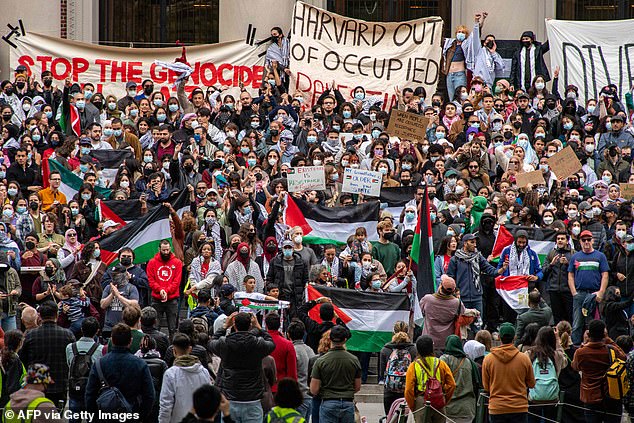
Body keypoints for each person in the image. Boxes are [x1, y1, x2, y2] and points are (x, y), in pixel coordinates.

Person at [209, 312, 275, 423]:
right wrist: (259, 327)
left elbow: (211, 343)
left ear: (234, 325)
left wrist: (225, 326)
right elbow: (271, 343)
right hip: (252, 400)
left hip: (231, 398)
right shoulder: (257, 344)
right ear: (250, 326)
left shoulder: (224, 343)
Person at [85, 323, 155, 420]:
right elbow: (149, 395)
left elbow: (89, 395)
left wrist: (95, 417)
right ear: (130, 341)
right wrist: (139, 417)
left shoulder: (99, 364)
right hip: (131, 415)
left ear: (112, 340)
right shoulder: (140, 364)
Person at [18, 301, 75, 408]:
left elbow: (23, 361)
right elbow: (72, 360)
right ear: (57, 315)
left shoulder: (30, 336)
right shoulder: (68, 335)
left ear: (39, 316)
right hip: (60, 385)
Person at [572, 319, 625, 422]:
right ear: (603, 334)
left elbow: (575, 367)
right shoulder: (610, 349)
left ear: (589, 334)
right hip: (610, 394)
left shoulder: (581, 352)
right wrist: (609, 339)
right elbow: (623, 357)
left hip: (590, 396)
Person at [482, 322, 536, 422]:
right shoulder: (524, 358)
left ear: (498, 337)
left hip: (497, 407)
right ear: (514, 337)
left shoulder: (488, 359)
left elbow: (486, 387)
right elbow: (532, 384)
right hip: (519, 407)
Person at [447, 233, 505, 320]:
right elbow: (450, 279)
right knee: (462, 325)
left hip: (476, 297)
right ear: (465, 243)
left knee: (478, 324)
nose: (475, 245)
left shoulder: (478, 257)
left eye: (475, 242)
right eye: (472, 242)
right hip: (462, 298)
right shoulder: (455, 259)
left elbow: (491, 270)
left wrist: (502, 269)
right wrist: (455, 292)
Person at [310, 325, 361, 423]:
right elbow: (357, 386)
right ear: (345, 339)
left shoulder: (321, 361)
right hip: (347, 402)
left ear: (330, 338)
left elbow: (314, 389)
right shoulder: (354, 360)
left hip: (328, 403)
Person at [568, 230, 609, 345]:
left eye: (588, 240)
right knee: (577, 323)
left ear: (593, 241)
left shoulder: (600, 256)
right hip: (579, 293)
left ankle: (598, 345)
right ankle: (575, 348)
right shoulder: (575, 257)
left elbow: (605, 275)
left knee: (596, 323)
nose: (586, 242)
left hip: (594, 294)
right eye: (583, 240)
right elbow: (570, 275)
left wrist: (601, 292)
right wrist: (574, 292)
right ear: (580, 241)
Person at [158, 333, 211, 423]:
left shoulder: (171, 374)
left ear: (174, 351)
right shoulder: (203, 372)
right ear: (190, 349)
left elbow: (166, 405)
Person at [404, 335, 456, 423]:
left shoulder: (413, 366)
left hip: (421, 401)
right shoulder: (441, 363)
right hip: (439, 399)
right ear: (432, 348)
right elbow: (452, 384)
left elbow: (409, 389)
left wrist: (413, 406)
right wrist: (444, 400)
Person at [65, 317, 103, 420]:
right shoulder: (100, 349)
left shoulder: (70, 347)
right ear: (97, 331)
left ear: (81, 329)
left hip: (75, 388)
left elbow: (69, 364)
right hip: (93, 390)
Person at [440, 335, 481, 423]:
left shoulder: (444, 360)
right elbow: (476, 384)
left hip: (448, 409)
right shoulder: (470, 362)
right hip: (467, 410)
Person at [147, 240, 183, 339]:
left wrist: (166, 291)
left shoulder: (177, 262)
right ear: (159, 249)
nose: (166, 252)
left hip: (172, 298)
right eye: (164, 250)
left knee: (173, 327)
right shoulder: (152, 262)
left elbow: (177, 281)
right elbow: (151, 280)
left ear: (170, 248)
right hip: (156, 298)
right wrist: (160, 290)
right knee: (155, 326)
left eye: (167, 250)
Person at [379, 321, 417, 414]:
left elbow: (382, 372)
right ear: (407, 332)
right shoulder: (413, 350)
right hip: (407, 390)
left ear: (393, 332)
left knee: (390, 416)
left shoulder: (385, 349)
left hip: (390, 390)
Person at [419, 275, 464, 352]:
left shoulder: (428, 299)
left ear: (440, 287)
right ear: (453, 291)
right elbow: (462, 313)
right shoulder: (457, 303)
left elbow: (420, 311)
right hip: (447, 343)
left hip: (429, 342)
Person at [286, 320, 315, 421]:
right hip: (309, 395)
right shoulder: (310, 350)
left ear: (288, 334)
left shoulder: (292, 351)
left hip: (298, 395)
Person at [543, 231, 574, 324]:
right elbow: (544, 272)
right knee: (557, 317)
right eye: (558, 239)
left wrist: (568, 264)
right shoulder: (551, 254)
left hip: (568, 291)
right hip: (554, 290)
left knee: (570, 316)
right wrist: (551, 264)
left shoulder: (573, 254)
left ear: (567, 241)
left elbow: (577, 272)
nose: (560, 241)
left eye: (562, 239)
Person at [265, 312, 297, 393]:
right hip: (281, 390)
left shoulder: (259, 342)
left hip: (262, 390)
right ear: (279, 325)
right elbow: (292, 373)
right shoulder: (287, 344)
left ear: (266, 325)